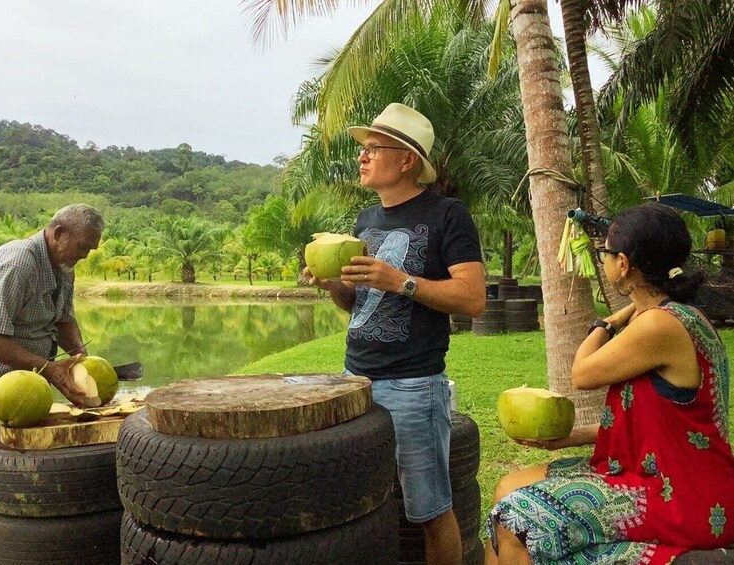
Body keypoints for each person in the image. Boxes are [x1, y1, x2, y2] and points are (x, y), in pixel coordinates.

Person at [486, 203, 734, 564]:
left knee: (515, 518)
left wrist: (605, 323)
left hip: (680, 492)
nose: (601, 260)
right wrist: (573, 437)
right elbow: (658, 423)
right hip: (651, 471)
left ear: (624, 264)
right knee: (507, 487)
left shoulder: (658, 326)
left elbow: (582, 374)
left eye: (605, 253)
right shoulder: (671, 316)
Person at [304, 103, 486, 564]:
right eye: (362, 150)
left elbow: (473, 299)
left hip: (412, 384)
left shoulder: (447, 214)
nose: (361, 158)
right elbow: (357, 304)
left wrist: (398, 280)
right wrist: (332, 285)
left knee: (429, 510)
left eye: (373, 149)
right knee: (364, 500)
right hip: (355, 379)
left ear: (407, 160)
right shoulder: (365, 221)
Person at [0, 203, 104, 523]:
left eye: (90, 249)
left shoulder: (63, 266)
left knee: (18, 460)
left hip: (25, 375)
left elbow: (64, 320)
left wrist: (82, 360)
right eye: (82, 247)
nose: (85, 255)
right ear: (59, 233)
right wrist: (48, 368)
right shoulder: (18, 263)